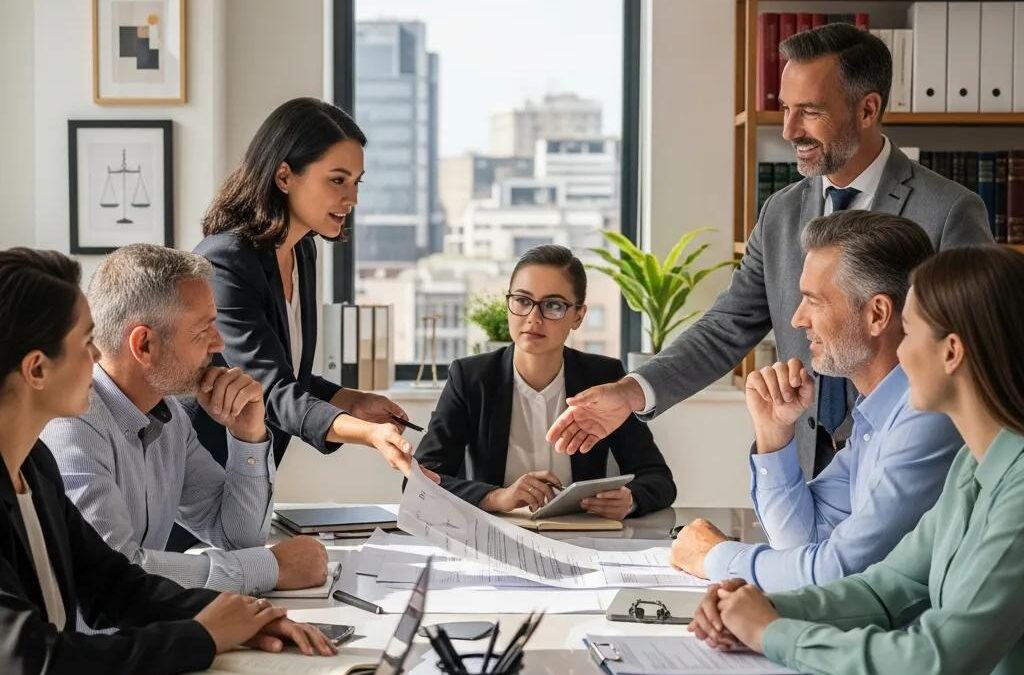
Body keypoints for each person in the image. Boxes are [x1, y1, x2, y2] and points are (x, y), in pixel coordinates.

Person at [547, 23, 992, 476]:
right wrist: (630, 391)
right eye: (784, 109)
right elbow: (727, 326)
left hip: (910, 467)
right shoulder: (780, 211)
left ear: (867, 109)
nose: (788, 129)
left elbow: (975, 357)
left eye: (810, 111)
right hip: (802, 469)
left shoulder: (950, 210)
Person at [688, 246, 1024, 675]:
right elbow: (886, 587)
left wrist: (771, 632)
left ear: (951, 351)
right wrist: (757, 607)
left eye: (911, 331)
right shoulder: (972, 467)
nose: (899, 353)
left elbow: (939, 657)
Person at [0, 248, 336, 675]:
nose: (98, 356)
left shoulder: (34, 467)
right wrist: (205, 633)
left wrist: (240, 618)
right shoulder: (66, 438)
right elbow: (32, 659)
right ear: (36, 370)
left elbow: (114, 585)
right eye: (86, 343)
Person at [668, 210, 961, 591]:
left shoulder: (925, 416)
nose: (796, 320)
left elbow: (840, 572)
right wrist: (775, 435)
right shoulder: (879, 411)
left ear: (877, 314)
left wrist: (717, 558)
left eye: (813, 301)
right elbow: (803, 542)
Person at [41, 244, 327, 597]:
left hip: (148, 634)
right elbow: (116, 573)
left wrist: (248, 436)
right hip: (97, 647)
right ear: (144, 344)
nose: (219, 344)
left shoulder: (170, 416)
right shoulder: (71, 427)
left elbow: (236, 538)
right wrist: (271, 568)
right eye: (203, 329)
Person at [192, 97, 411, 471]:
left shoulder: (302, 251)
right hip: (203, 474)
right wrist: (367, 433)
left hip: (253, 473)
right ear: (284, 177)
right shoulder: (226, 261)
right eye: (337, 180)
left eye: (356, 182)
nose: (352, 198)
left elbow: (289, 374)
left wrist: (349, 399)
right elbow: (270, 390)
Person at [415, 245, 675, 519]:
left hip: (581, 537)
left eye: (553, 305)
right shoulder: (470, 378)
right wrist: (497, 497)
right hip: (493, 535)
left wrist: (631, 499)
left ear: (578, 316)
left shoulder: (603, 377)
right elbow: (420, 478)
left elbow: (658, 479)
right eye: (523, 301)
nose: (533, 318)